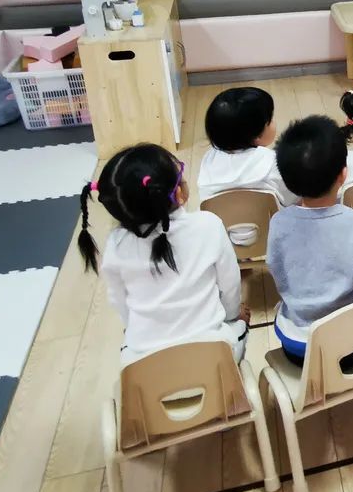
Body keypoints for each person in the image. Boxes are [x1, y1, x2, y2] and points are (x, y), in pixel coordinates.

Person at [77, 144, 248, 365]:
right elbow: (230, 282)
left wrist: (137, 330)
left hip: (145, 365)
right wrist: (233, 315)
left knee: (127, 351)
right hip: (213, 355)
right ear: (178, 193)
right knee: (239, 325)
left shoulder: (116, 246)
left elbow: (120, 301)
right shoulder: (208, 225)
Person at [268, 115, 353, 365]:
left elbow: (279, 273)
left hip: (298, 349)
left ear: (287, 181)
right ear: (343, 174)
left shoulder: (279, 223)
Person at [198, 87, 296, 206]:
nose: (273, 123)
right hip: (269, 217)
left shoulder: (208, 162)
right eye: (270, 121)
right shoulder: (273, 164)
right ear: (257, 136)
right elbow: (293, 197)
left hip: (219, 218)